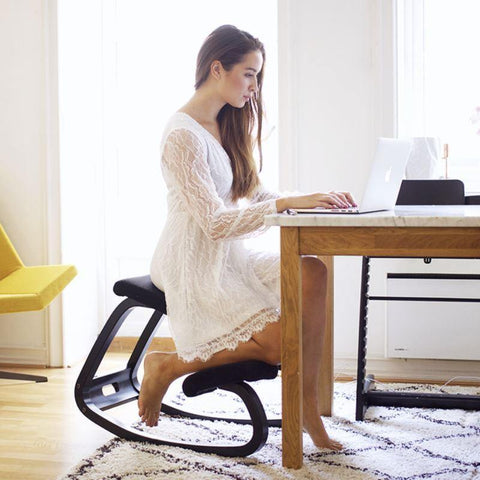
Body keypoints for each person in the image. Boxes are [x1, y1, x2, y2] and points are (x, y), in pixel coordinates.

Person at [139, 24, 355, 451]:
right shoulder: (182, 135)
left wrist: (310, 200)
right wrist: (283, 207)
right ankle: (166, 365)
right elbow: (216, 223)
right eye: (250, 74)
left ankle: (306, 407)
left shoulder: (225, 124)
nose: (255, 87)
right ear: (217, 69)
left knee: (313, 272)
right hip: (189, 259)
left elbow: (255, 193)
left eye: (258, 76)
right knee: (275, 341)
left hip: (226, 255)